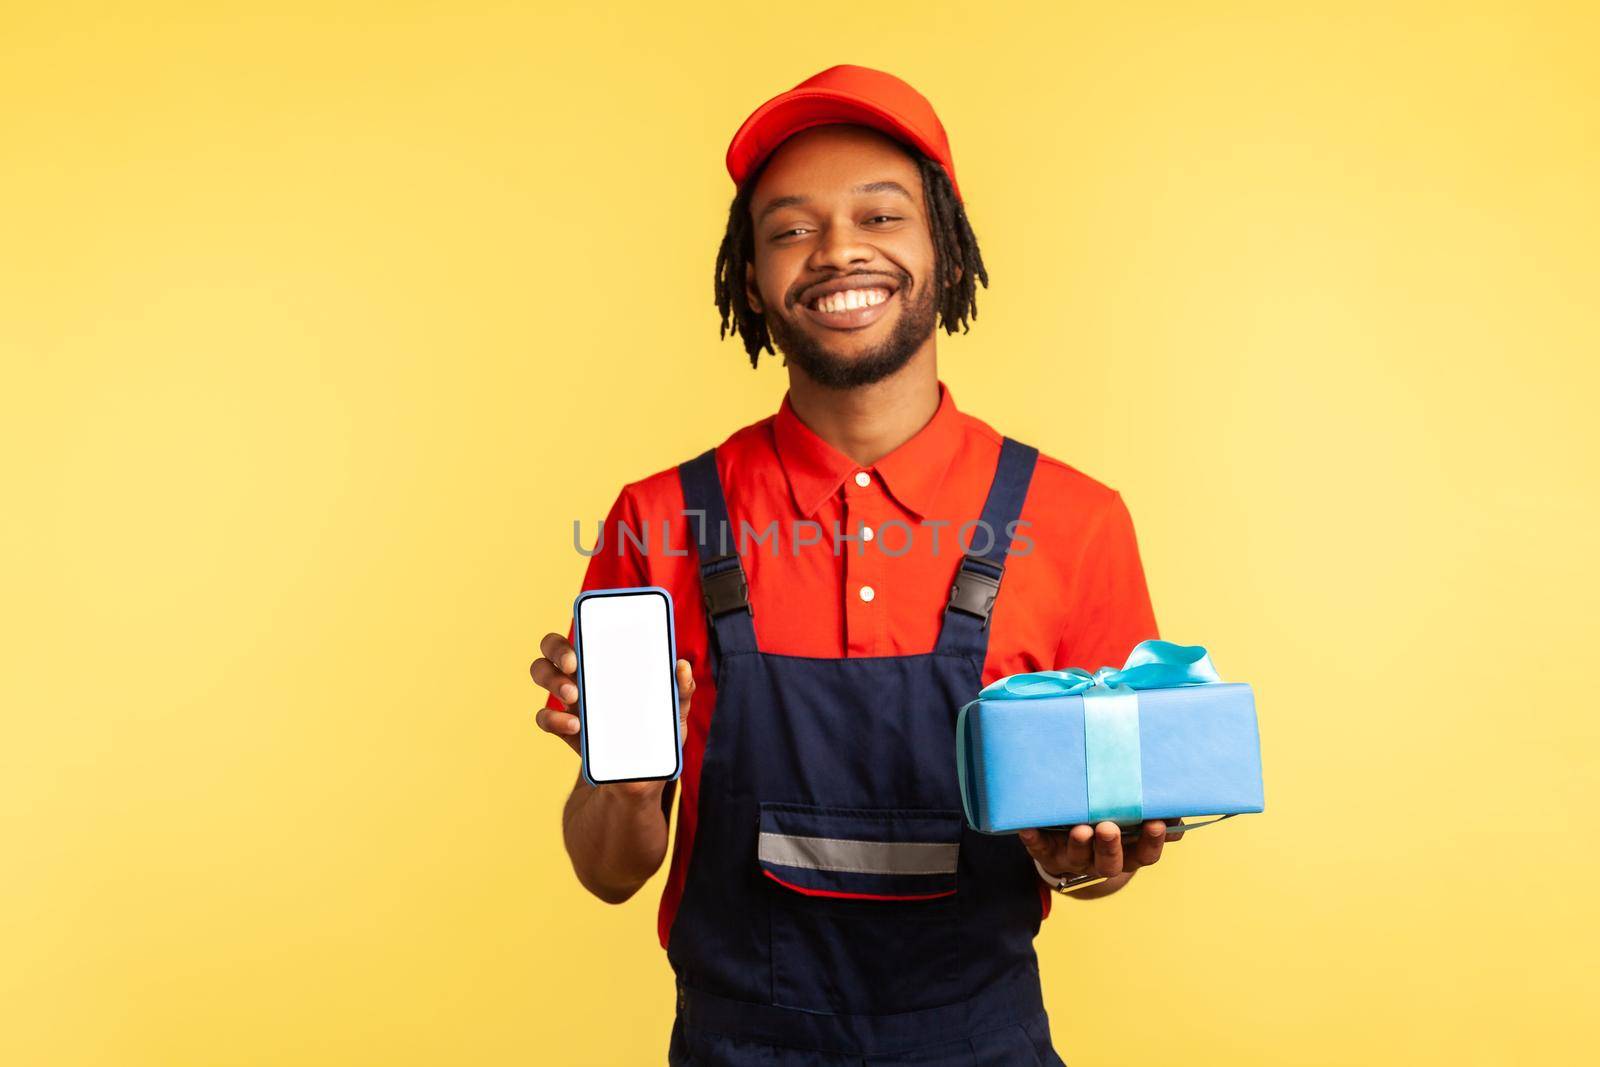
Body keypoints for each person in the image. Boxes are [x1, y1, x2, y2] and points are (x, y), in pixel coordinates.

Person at [531, 64, 1183, 1066]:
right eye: (790, 228)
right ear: (751, 279)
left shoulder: (1074, 519)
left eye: (881, 215)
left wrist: (1080, 862)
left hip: (983, 1040)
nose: (838, 250)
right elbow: (609, 872)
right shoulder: (658, 518)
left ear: (947, 254)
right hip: (736, 1044)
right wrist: (621, 786)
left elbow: (1097, 860)